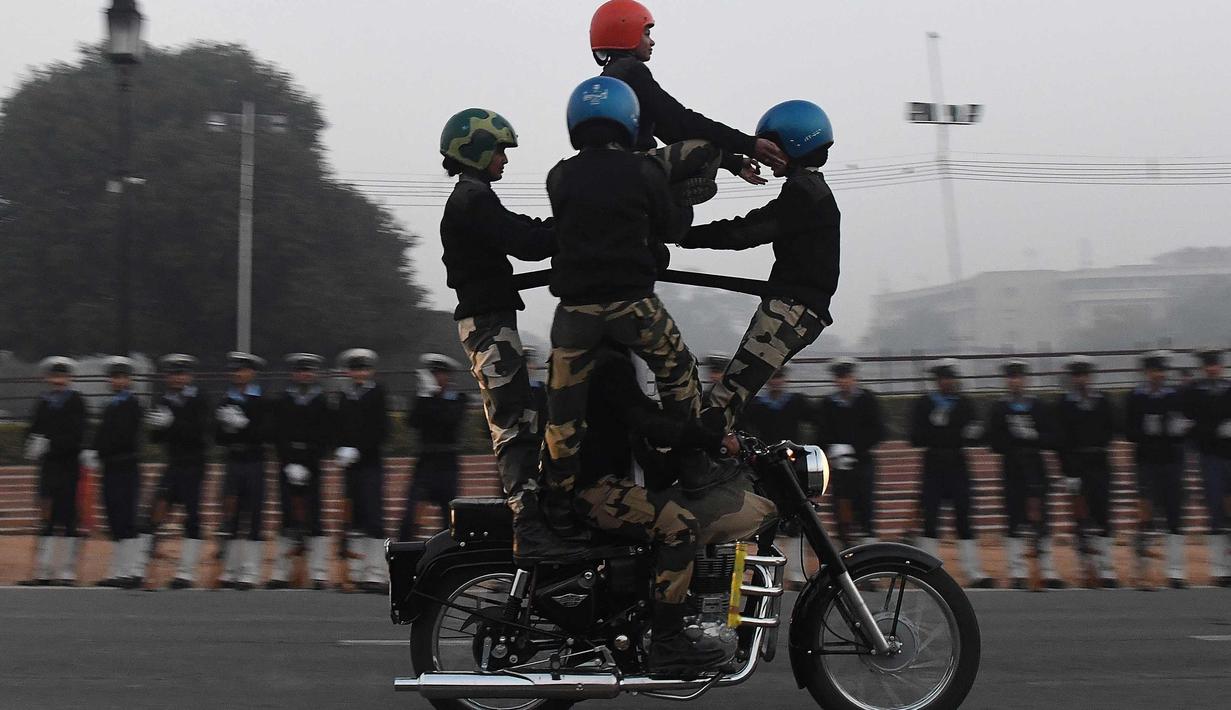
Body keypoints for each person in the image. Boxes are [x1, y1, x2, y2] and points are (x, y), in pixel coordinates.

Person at [541, 75, 701, 533]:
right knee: (679, 372)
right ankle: (691, 461)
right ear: (628, 120)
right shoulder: (644, 171)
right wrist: (683, 201)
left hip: (574, 313)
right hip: (633, 304)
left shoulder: (559, 175)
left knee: (563, 415)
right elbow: (672, 228)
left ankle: (557, 505)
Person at [574, 345, 775, 674]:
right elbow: (648, 422)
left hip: (603, 481)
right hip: (592, 488)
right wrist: (712, 439)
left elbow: (645, 440)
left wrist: (690, 454)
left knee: (672, 507)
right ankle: (667, 643)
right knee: (679, 526)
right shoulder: (607, 362)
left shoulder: (614, 361)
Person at [438, 108, 581, 562]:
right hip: (487, 325)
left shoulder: (476, 196)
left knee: (526, 416)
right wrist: (580, 223)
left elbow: (525, 228)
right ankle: (529, 530)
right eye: (499, 150)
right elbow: (526, 242)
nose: (505, 159)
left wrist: (565, 225)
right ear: (476, 150)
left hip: (492, 320)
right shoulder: (472, 199)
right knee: (514, 424)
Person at [676, 99, 839, 433]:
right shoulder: (811, 190)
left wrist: (682, 235)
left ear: (793, 144)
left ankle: (702, 460)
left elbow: (745, 232)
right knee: (729, 399)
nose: (766, 155)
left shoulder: (804, 193)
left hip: (789, 313)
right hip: (796, 310)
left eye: (772, 146)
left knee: (721, 405)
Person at [588, 0, 786, 203]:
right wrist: (749, 144)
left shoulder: (606, 81)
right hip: (631, 168)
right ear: (626, 33)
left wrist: (732, 162)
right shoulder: (632, 70)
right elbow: (681, 121)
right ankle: (666, 200)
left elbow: (669, 130)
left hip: (599, 170)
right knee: (705, 149)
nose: (652, 42)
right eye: (646, 34)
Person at [909, 359, 993, 588]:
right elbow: (914, 437)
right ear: (937, 381)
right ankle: (928, 570)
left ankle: (973, 570)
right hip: (933, 462)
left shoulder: (963, 403)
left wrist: (968, 432)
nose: (947, 382)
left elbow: (978, 434)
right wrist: (934, 428)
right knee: (930, 517)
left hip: (957, 461)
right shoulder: (925, 403)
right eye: (942, 378)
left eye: (950, 378)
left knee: (964, 516)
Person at [986, 360, 1064, 590]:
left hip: (1035, 464)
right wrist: (1013, 440)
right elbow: (993, 442)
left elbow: (1053, 436)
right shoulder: (999, 408)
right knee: (1014, 517)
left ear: (1025, 379)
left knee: (1042, 517)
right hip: (1012, 466)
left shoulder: (1038, 406)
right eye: (1011, 377)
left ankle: (1047, 568)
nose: (1015, 381)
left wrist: (1033, 436)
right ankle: (1017, 569)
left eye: (1019, 377)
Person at [140, 354, 211, 589]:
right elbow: (156, 438)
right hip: (174, 462)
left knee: (192, 515)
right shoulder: (164, 400)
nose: (177, 378)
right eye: (173, 374)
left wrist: (173, 424)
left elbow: (200, 431)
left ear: (189, 376)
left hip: (194, 463)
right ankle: (142, 566)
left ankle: (186, 572)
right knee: (156, 510)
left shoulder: (199, 398)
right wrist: (157, 427)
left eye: (181, 374)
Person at [19, 357, 87, 586]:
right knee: (46, 516)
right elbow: (33, 428)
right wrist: (31, 443)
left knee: (68, 517)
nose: (58, 381)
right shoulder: (43, 401)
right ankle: (43, 571)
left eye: (62, 377)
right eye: (54, 377)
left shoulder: (76, 401)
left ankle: (67, 571)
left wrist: (51, 445)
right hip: (48, 468)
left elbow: (77, 435)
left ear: (69, 379)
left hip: (68, 466)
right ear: (48, 378)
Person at [1125, 350, 1190, 589]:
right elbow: (1127, 431)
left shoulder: (1175, 396)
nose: (1158, 375)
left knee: (1174, 514)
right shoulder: (1135, 397)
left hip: (1172, 460)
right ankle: (1143, 571)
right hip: (1146, 462)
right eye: (1153, 370)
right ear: (1146, 372)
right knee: (1146, 514)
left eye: (1161, 371)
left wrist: (1177, 429)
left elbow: (1185, 425)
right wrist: (1144, 430)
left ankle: (1175, 570)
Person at [268, 353, 332, 590]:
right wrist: (288, 461)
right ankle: (281, 572)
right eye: (300, 370)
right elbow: (277, 433)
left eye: (308, 371)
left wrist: (311, 460)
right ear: (293, 374)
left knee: (315, 516)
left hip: (312, 463)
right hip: (288, 463)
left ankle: (318, 572)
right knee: (287, 516)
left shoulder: (321, 401)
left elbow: (326, 434)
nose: (304, 374)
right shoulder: (283, 400)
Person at [1054, 355, 1119, 588]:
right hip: (1076, 464)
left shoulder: (1102, 401)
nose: (1081, 379)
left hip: (1100, 463)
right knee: (1080, 517)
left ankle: (1106, 567)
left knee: (1103, 515)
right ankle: (1085, 566)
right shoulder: (1063, 404)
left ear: (1090, 377)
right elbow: (1060, 442)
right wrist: (1068, 472)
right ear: (1072, 378)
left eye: (1084, 375)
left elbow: (1113, 429)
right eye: (1077, 375)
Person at [333, 348, 390, 593]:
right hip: (350, 466)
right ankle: (354, 572)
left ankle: (376, 573)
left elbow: (381, 429)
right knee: (352, 518)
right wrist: (339, 447)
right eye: (355, 369)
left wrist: (359, 449)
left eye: (363, 369)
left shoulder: (378, 393)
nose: (359, 373)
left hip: (370, 463)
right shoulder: (344, 396)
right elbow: (337, 427)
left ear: (371, 371)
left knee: (373, 517)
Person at [814, 357, 885, 548]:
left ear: (854, 377)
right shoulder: (828, 403)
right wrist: (832, 449)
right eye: (839, 377)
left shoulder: (867, 400)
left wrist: (855, 448)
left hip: (863, 463)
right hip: (839, 466)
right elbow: (822, 434)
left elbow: (878, 431)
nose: (843, 381)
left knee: (866, 506)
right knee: (841, 508)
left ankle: (869, 549)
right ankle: (845, 549)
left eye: (847, 376)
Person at [399, 354, 469, 542]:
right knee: (410, 515)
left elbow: (448, 421)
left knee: (450, 518)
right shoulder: (423, 398)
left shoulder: (458, 398)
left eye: (440, 374)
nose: (436, 378)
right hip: (425, 462)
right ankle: (405, 551)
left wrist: (433, 398)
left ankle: (449, 552)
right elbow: (412, 422)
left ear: (448, 376)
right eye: (433, 374)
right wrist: (425, 396)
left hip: (447, 462)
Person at [214, 351, 269, 591]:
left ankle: (250, 570)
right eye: (234, 370)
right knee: (231, 513)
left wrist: (244, 425)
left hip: (254, 460)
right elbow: (217, 437)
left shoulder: (262, 401)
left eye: (242, 370)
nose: (238, 374)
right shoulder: (226, 400)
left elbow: (266, 432)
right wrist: (227, 428)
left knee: (254, 513)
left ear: (252, 373)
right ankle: (230, 568)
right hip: (234, 460)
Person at [89, 357, 144, 589]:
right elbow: (102, 434)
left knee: (126, 517)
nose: (117, 381)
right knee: (113, 517)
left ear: (129, 380)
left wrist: (100, 450)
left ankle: (132, 570)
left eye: (121, 377)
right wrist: (93, 450)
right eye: (114, 378)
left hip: (126, 465)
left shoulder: (132, 404)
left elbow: (123, 437)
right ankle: (118, 570)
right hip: (110, 467)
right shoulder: (110, 405)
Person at [1184, 347, 1231, 587]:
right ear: (1203, 367)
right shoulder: (1193, 392)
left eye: (1215, 364)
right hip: (1209, 455)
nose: (1212, 369)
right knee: (1214, 510)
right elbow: (1188, 424)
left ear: (1221, 366)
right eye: (1208, 365)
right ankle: (1221, 568)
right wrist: (1210, 431)